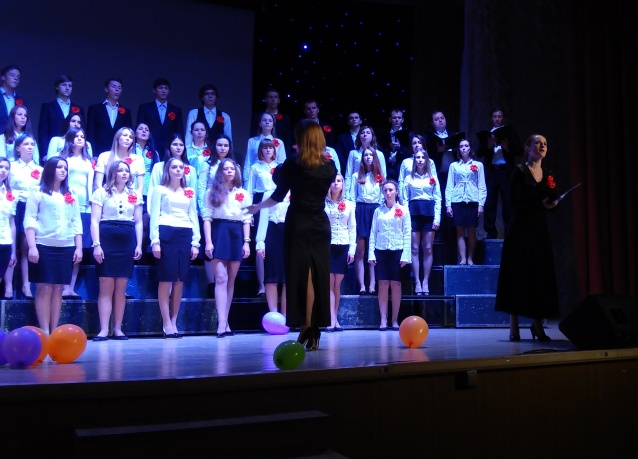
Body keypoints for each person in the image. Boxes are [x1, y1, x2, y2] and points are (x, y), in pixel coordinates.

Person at [246, 120, 337, 351]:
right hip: (320, 224)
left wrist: (257, 207)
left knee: (301, 275)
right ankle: (313, 328)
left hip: (298, 223)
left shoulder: (293, 164)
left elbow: (278, 193)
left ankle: (306, 326)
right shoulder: (329, 166)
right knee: (317, 276)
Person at [495, 134, 560, 342]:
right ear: (527, 148)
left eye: (545, 144)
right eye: (538, 143)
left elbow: (552, 195)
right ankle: (513, 324)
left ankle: (537, 324)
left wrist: (553, 203)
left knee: (538, 275)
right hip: (520, 229)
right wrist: (538, 200)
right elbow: (514, 199)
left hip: (539, 229)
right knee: (518, 274)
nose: (542, 146)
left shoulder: (548, 173)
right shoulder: (520, 171)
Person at [24, 156, 82, 334]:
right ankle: (44, 331)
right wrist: (32, 246)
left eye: (65, 168)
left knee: (58, 289)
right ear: (50, 169)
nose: (63, 171)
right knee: (43, 288)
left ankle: (54, 329)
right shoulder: (37, 192)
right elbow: (30, 220)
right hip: (43, 245)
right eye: (59, 167)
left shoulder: (71, 194)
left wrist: (79, 247)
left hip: (65, 246)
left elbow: (76, 221)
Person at [90, 160, 143, 340]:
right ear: (113, 173)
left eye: (127, 171)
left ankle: (118, 329)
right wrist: (96, 244)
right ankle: (104, 329)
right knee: (106, 286)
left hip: (127, 239)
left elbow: (138, 221)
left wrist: (138, 244)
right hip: (107, 238)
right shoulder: (101, 192)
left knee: (121, 288)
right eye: (120, 170)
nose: (124, 173)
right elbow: (95, 220)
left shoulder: (134, 194)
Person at [149, 157, 200, 338]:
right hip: (166, 232)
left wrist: (195, 242)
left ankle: (174, 320)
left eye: (181, 167)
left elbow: (193, 216)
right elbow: (154, 215)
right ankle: (166, 322)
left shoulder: (189, 191)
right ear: (168, 170)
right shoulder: (160, 189)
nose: (178, 170)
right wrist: (155, 240)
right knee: (166, 278)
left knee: (179, 280)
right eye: (174, 167)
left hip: (185, 233)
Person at [202, 158, 252, 337]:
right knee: (221, 278)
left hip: (236, 233)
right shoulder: (211, 192)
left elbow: (247, 219)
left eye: (232, 169)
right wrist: (208, 241)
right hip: (219, 231)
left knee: (231, 279)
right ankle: (221, 322)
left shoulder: (243, 193)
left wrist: (246, 241)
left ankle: (225, 320)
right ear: (220, 171)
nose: (229, 171)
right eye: (226, 168)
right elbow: (207, 217)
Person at [55, 127, 94, 299]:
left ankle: (70, 286)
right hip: (66, 202)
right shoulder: (63, 158)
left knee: (80, 246)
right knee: (67, 245)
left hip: (84, 205)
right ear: (70, 139)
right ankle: (62, 285)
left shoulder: (88, 161)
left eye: (82, 136)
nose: (80, 139)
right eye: (76, 136)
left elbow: (91, 184)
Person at [368, 180, 411, 331]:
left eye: (391, 190)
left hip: (397, 250)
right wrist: (371, 253)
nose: (388, 193)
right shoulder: (378, 211)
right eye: (385, 190)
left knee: (396, 285)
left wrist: (406, 255)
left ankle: (394, 320)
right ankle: (383, 320)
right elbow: (373, 233)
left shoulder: (403, 210)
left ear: (396, 192)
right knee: (383, 285)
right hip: (381, 250)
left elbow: (407, 233)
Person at [476, 108, 524, 239]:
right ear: (491, 118)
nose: (497, 119)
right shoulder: (488, 134)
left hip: (505, 172)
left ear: (503, 118)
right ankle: (491, 232)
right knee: (490, 202)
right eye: (495, 116)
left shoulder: (509, 132)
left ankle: (509, 231)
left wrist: (507, 147)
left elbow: (519, 150)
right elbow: (479, 153)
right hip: (492, 171)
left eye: (499, 116)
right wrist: (489, 145)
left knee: (508, 202)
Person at [5, 134, 42, 300]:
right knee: (12, 245)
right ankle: (8, 285)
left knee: (27, 246)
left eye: (32, 144)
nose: (30, 147)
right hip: (14, 207)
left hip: (31, 208)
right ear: (18, 148)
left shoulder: (39, 169)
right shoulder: (11, 167)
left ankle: (26, 285)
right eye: (26, 144)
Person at [197, 133, 235, 296]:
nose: (222, 148)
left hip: (227, 210)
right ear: (214, 147)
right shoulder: (207, 164)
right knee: (210, 245)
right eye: (220, 145)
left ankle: (223, 281)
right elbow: (201, 187)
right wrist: (202, 209)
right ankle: (211, 282)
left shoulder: (234, 165)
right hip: (210, 207)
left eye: (226, 145)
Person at [401, 148, 441, 295]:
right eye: (417, 157)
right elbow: (404, 200)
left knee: (428, 248)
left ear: (426, 160)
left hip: (429, 212)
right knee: (414, 248)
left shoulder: (433, 177)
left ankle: (426, 281)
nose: (420, 160)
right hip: (414, 213)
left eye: (422, 158)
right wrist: (405, 219)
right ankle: (417, 281)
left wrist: (437, 218)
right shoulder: (408, 178)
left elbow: (438, 198)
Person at [246, 138, 279, 296]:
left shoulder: (279, 166)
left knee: (275, 243)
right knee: (260, 243)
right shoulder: (255, 167)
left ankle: (275, 280)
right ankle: (261, 285)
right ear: (260, 150)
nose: (268, 150)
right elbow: (249, 190)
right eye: (265, 148)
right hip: (260, 202)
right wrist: (250, 213)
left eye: (270, 148)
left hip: (277, 203)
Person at [445, 139, 487, 265]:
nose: (464, 148)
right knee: (460, 231)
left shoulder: (478, 165)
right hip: (457, 200)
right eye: (461, 146)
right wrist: (448, 204)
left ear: (470, 148)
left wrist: (481, 204)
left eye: (466, 146)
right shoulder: (453, 166)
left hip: (472, 200)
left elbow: (482, 185)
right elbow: (449, 185)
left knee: (472, 230)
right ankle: (463, 258)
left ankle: (470, 258)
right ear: (459, 149)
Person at [350, 148, 384, 295]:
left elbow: (382, 197)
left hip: (375, 210)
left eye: (371, 155)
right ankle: (362, 285)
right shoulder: (356, 176)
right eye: (366, 155)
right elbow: (352, 197)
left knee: (373, 249)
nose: (368, 157)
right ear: (362, 158)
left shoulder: (379, 176)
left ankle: (372, 284)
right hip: (361, 210)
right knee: (361, 251)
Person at [324, 173, 355, 332]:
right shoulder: (322, 203)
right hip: (327, 245)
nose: (336, 183)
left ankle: (335, 317)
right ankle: (331, 320)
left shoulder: (349, 204)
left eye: (339, 181)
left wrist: (352, 249)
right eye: (333, 180)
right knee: (329, 283)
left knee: (338, 284)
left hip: (343, 244)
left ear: (343, 184)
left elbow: (352, 228)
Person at [255, 185, 290, 317]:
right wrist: (260, 241)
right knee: (272, 276)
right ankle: (273, 315)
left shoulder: (297, 191)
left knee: (289, 278)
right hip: (273, 233)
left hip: (291, 235)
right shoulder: (269, 193)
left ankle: (286, 317)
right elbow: (263, 218)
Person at [147, 133, 197, 214]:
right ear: (169, 146)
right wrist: (151, 212)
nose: (178, 147)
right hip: (164, 211)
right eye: (175, 144)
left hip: (184, 212)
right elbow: (152, 190)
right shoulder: (159, 167)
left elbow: (193, 194)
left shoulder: (191, 170)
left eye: (181, 145)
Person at [38, 74, 85, 157]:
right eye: (64, 85)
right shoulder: (48, 107)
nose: (67, 88)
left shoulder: (78, 108)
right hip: (53, 148)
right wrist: (44, 154)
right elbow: (43, 132)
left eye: (70, 86)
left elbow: (82, 130)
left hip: (74, 149)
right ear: (56, 87)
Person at [86, 77, 133, 157]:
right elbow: (90, 132)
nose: (117, 90)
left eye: (119, 88)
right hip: (99, 150)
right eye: (114, 87)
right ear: (106, 89)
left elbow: (129, 132)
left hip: (119, 151)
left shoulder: (126, 111)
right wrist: (92, 153)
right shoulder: (95, 108)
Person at [93, 127, 144, 196]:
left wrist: (136, 198)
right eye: (125, 135)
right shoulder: (104, 156)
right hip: (108, 195)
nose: (127, 139)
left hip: (129, 196)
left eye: (130, 137)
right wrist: (104, 197)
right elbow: (97, 184)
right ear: (117, 137)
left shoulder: (138, 159)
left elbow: (141, 187)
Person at [136, 78, 184, 152]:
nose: (163, 91)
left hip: (169, 148)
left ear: (169, 91)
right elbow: (140, 128)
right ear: (154, 90)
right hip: (149, 146)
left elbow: (179, 131)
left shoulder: (176, 110)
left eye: (166, 88)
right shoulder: (145, 108)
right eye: (160, 88)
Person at [344, 125, 386, 198]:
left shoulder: (379, 154)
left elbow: (383, 174)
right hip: (356, 188)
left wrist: (382, 195)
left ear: (372, 136)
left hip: (374, 190)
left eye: (368, 133)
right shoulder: (353, 153)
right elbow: (348, 174)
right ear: (359, 136)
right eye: (362, 133)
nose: (365, 135)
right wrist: (347, 192)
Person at [243, 111, 286, 183]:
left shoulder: (279, 142)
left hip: (273, 176)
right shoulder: (252, 141)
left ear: (273, 125)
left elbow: (282, 163)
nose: (267, 122)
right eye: (264, 120)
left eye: (270, 121)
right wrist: (246, 180)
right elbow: (248, 161)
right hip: (256, 176)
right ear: (260, 124)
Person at [251, 88, 293, 158]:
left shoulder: (285, 118)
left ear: (279, 100)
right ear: (266, 99)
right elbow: (253, 132)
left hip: (279, 151)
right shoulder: (258, 116)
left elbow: (288, 139)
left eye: (275, 97)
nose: (273, 99)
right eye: (270, 97)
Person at [0, 157, 17, 298]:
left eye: (6, 168)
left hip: (5, 243)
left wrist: (13, 251)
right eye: (1, 167)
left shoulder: (9, 194)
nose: (3, 170)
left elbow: (11, 223)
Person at [384, 109, 411, 181]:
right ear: (390, 119)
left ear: (402, 120)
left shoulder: (409, 134)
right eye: (394, 118)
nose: (397, 120)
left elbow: (411, 152)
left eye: (399, 118)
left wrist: (400, 147)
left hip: (402, 166)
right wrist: (389, 147)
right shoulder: (384, 134)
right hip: (388, 167)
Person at [0, 65, 25, 134]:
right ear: (3, 77)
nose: (16, 78)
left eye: (18, 77)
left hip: (14, 137)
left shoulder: (21, 101)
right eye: (12, 75)